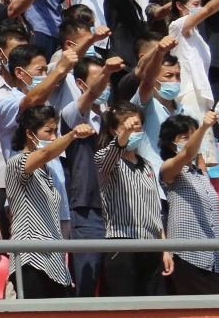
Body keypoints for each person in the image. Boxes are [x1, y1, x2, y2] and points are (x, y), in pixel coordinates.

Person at [6, 104, 94, 298]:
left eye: (56, 131)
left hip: (54, 261)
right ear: (30, 134)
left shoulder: (48, 170)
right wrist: (71, 135)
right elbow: (45, 153)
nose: (54, 137)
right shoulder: (17, 162)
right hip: (31, 259)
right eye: (48, 131)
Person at [95, 101, 171, 296]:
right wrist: (124, 136)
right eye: (127, 126)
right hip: (122, 244)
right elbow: (113, 152)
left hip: (151, 245)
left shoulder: (146, 165)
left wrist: (164, 248)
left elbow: (155, 209)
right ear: (114, 130)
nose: (134, 130)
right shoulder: (105, 159)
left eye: (137, 126)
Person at [158, 111, 219, 295]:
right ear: (170, 142)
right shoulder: (169, 169)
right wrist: (204, 127)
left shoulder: (201, 174)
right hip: (187, 254)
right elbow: (188, 151)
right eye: (184, 137)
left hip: (213, 257)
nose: (192, 140)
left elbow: (195, 156)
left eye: (193, 135)